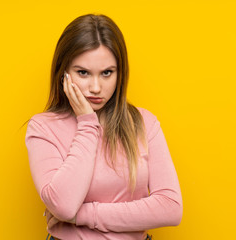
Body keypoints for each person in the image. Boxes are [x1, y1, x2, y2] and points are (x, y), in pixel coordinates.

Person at [25, 13, 183, 240]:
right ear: (64, 73)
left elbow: (170, 207)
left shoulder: (144, 123)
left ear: (120, 73)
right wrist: (87, 124)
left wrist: (85, 215)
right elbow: (64, 206)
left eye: (107, 73)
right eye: (83, 73)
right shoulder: (43, 128)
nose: (96, 87)